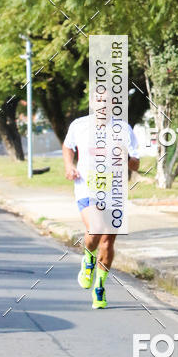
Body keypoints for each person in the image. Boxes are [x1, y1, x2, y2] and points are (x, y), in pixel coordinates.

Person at [62, 108, 140, 309]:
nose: (102, 107)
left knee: (107, 243)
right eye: (98, 102)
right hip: (87, 189)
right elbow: (68, 146)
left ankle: (100, 285)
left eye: (106, 102)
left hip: (114, 191)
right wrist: (69, 166)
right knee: (95, 228)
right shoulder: (79, 125)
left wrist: (124, 157)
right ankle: (88, 258)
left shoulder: (123, 129)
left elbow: (136, 164)